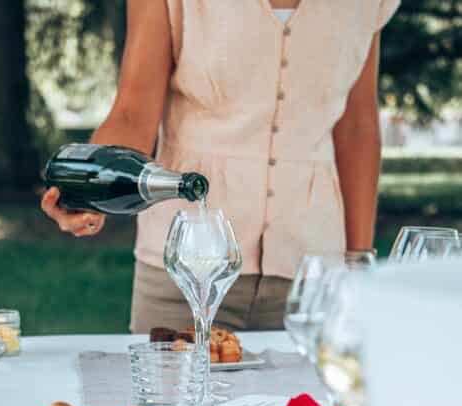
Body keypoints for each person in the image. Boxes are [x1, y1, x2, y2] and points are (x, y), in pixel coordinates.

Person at [41, 0, 400, 332]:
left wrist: (357, 262)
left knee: (313, 403)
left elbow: (356, 128)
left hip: (314, 277)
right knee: (169, 401)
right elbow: (133, 113)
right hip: (184, 270)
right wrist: (90, 189)